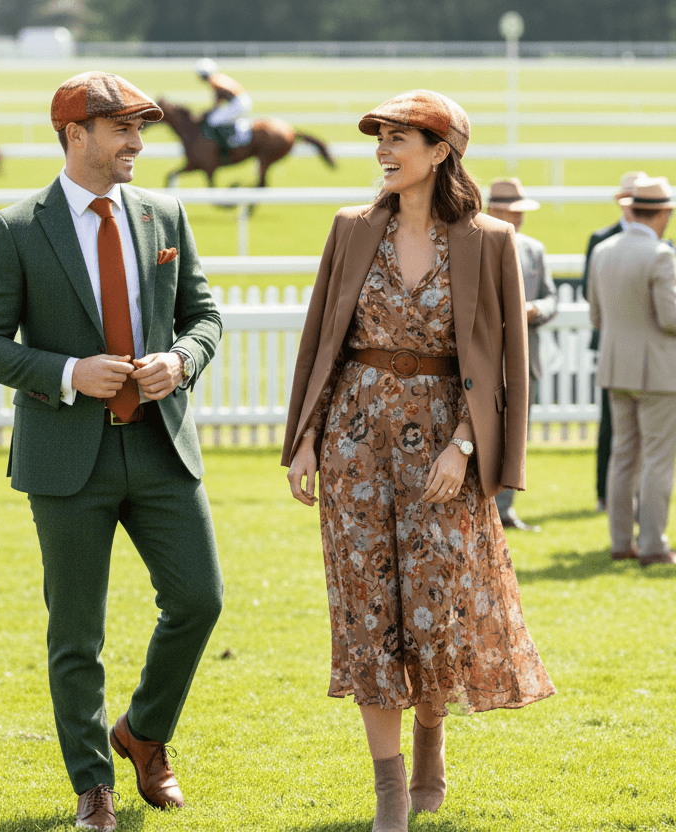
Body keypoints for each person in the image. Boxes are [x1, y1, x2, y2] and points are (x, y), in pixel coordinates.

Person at [283, 90, 555, 832]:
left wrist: (466, 446)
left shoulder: (489, 240)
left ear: (441, 152)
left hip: (445, 449)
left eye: (400, 137)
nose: (384, 149)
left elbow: (503, 361)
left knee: (437, 617)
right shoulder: (349, 229)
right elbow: (321, 344)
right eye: (381, 136)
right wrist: (306, 438)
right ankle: (389, 794)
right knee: (368, 617)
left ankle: (432, 736)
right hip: (353, 443)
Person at [0, 71, 224, 831]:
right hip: (65, 457)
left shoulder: (166, 212)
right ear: (76, 135)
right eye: (123, 131)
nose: (138, 144)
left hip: (161, 445)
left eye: (141, 130)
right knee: (77, 631)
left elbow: (204, 317)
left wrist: (183, 360)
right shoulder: (15, 229)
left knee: (199, 601)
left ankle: (142, 733)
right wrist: (71, 372)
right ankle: (93, 785)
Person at [587, 176, 676, 567]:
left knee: (623, 457)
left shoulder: (603, 251)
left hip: (615, 367)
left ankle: (621, 541)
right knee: (657, 459)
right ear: (663, 213)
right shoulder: (661, 254)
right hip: (657, 371)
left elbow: (595, 314)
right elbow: (671, 318)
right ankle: (654, 544)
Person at [487, 178, 558, 532]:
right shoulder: (475, 244)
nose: (517, 218)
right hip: (485, 359)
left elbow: (551, 297)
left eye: (519, 212)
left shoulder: (535, 249)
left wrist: (532, 309)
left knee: (517, 436)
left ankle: (505, 509)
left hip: (525, 356)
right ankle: (486, 510)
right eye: (511, 211)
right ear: (493, 210)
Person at [581, 171, 648, 513]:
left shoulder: (661, 245)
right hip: (610, 343)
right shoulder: (600, 239)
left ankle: (634, 498)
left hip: (644, 350)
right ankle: (603, 494)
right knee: (610, 424)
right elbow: (587, 290)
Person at [194, 57, 252, 154]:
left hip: (238, 103)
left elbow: (218, 99)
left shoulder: (214, 81)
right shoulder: (218, 77)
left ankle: (226, 144)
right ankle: (238, 134)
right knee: (225, 118)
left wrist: (211, 110)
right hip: (242, 100)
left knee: (213, 120)